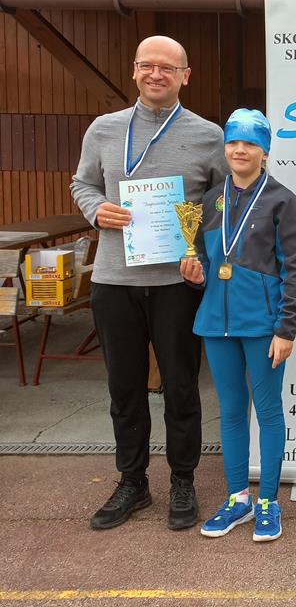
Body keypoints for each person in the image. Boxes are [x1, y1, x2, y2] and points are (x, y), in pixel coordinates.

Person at [72, 36, 227, 531]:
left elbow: (225, 203)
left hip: (177, 283)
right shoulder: (104, 129)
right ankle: (133, 482)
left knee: (181, 386)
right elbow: (82, 183)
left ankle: (183, 480)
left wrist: (201, 252)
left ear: (185, 76)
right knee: (124, 387)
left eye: (168, 67)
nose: (156, 74)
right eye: (148, 65)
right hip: (115, 279)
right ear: (134, 71)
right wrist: (97, 209)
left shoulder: (208, 136)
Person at [180, 109, 296, 543]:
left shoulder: (282, 201)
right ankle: (239, 498)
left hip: (263, 326)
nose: (240, 150)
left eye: (251, 143)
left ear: (265, 151)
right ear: (225, 148)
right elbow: (203, 259)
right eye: (234, 142)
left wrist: (287, 328)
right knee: (232, 410)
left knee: (268, 411)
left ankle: (268, 501)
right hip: (216, 323)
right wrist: (194, 271)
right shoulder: (209, 202)